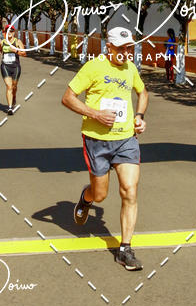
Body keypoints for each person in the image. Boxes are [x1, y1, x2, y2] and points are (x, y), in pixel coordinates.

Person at [62, 27, 148, 271]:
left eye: (129, 48)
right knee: (100, 195)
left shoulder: (130, 68)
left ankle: (125, 249)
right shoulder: (93, 67)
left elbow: (143, 92)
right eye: (121, 48)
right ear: (108, 47)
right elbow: (68, 97)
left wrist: (139, 116)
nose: (126, 53)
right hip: (96, 140)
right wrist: (95, 114)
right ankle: (86, 198)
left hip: (125, 140)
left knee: (129, 190)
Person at [0, 26, 25, 114]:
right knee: (9, 86)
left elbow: (24, 53)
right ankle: (9, 108)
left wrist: (16, 51)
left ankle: (14, 97)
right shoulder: (2, 42)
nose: (9, 33)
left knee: (14, 86)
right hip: (5, 66)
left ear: (13, 32)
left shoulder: (18, 42)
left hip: (15, 67)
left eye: (11, 31)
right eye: (7, 31)